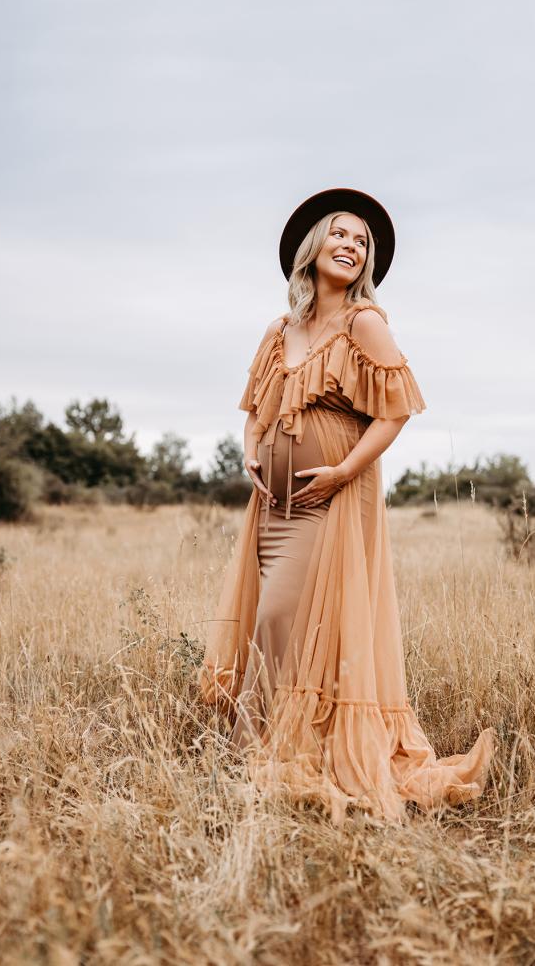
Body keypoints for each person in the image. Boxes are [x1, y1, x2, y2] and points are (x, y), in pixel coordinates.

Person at [198, 187, 496, 826]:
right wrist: (251, 451)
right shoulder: (280, 331)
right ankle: (275, 752)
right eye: (340, 234)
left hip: (329, 501)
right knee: (275, 626)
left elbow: (394, 414)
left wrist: (340, 472)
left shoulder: (366, 324)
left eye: (361, 241)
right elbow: (255, 411)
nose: (351, 246)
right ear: (312, 249)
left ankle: (288, 755)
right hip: (272, 507)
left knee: (282, 618)